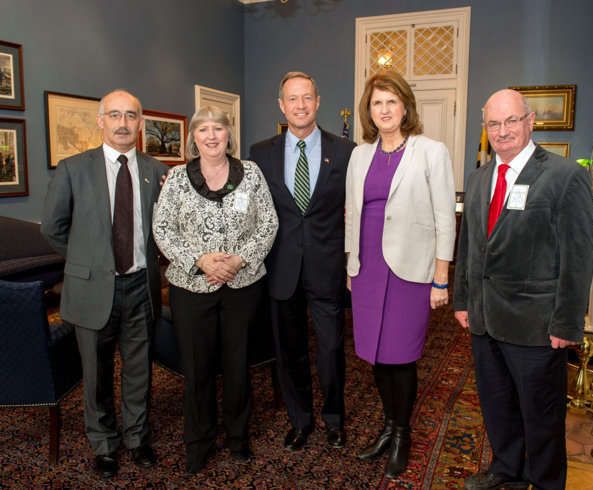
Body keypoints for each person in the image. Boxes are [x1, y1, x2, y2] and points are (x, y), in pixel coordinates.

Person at [453, 89, 593, 490]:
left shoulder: (565, 176)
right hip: (484, 321)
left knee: (542, 418)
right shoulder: (481, 177)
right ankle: (506, 472)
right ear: (485, 129)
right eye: (494, 124)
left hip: (536, 326)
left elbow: (578, 256)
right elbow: (469, 246)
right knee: (498, 408)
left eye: (511, 121)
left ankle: (547, 482)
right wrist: (463, 300)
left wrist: (567, 324)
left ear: (530, 121)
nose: (503, 131)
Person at [41, 89, 168, 479]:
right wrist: (88, 262)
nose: (122, 123)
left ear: (140, 124)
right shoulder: (73, 169)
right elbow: (53, 228)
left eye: (130, 116)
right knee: (95, 374)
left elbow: (163, 229)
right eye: (114, 115)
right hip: (92, 289)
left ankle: (136, 437)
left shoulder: (155, 170)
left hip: (140, 288)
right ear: (100, 121)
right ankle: (104, 443)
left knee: (138, 370)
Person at [152, 106, 278, 473]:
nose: (211, 136)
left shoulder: (251, 173)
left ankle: (238, 437)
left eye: (218, 129)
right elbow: (163, 230)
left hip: (242, 285)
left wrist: (238, 261)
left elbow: (268, 224)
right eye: (203, 129)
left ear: (228, 134)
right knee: (197, 367)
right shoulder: (176, 178)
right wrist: (200, 260)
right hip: (191, 286)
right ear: (193, 137)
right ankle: (199, 441)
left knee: (238, 365)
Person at [345, 70, 456, 478]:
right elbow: (352, 214)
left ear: (405, 106)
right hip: (368, 268)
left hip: (411, 270)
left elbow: (446, 217)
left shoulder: (431, 151)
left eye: (392, 101)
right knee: (375, 354)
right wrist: (350, 264)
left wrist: (441, 277)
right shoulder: (360, 155)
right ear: (369, 111)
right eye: (377, 103)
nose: (385, 109)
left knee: (401, 356)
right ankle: (388, 428)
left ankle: (403, 434)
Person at [249, 71, 356, 451]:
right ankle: (300, 420)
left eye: (306, 97)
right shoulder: (259, 153)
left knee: (330, 349)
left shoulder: (346, 151)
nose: (300, 105)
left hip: (327, 268)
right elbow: (247, 206)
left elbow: (358, 209)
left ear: (318, 101)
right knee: (288, 351)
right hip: (281, 269)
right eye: (292, 99)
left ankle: (333, 419)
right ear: (281, 105)